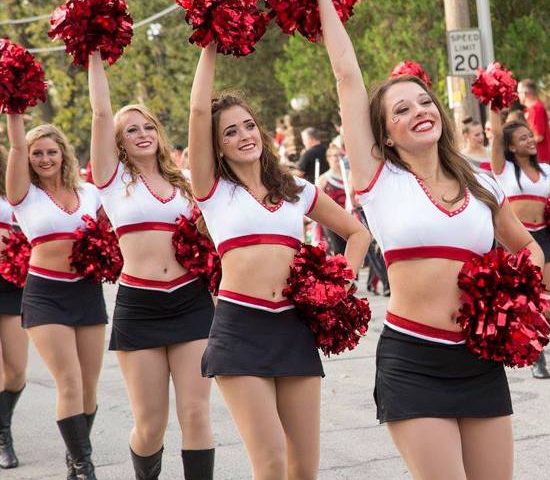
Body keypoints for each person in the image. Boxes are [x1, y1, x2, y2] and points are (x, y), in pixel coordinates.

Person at [315, 0, 545, 480]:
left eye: (424, 103)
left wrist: (517, 298)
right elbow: (347, 79)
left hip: (479, 358)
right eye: (401, 110)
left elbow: (528, 248)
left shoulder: (480, 181)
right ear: (386, 136)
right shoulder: (378, 180)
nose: (418, 112)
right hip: (412, 358)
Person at [187, 42, 370, 479]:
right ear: (216, 145)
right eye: (229, 132)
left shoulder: (295, 189)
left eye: (248, 125)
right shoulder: (212, 190)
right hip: (240, 328)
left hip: (293, 327)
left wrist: (338, 285)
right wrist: (211, 43)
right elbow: (196, 112)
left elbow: (357, 233)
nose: (243, 135)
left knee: (303, 467)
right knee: (269, 464)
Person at [88, 53, 216, 479]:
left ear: (159, 135)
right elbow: (101, 112)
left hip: (192, 302)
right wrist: (92, 49)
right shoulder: (111, 181)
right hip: (139, 306)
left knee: (196, 414)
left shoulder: (185, 182)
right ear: (118, 142)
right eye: (131, 130)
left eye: (148, 127)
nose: (141, 134)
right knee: (151, 425)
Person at [5, 118, 106, 478]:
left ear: (64, 153)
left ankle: (74, 456)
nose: (45, 159)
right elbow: (15, 147)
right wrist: (13, 113)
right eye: (37, 154)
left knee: (90, 386)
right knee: (70, 380)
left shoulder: (90, 193)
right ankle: (84, 465)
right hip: (46, 293)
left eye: (51, 151)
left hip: (87, 291)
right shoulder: (23, 193)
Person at [490, 115, 550, 379]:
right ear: (512, 147)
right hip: (515, 240)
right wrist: (495, 109)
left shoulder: (544, 170)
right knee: (523, 300)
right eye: (523, 138)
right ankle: (536, 355)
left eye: (530, 136)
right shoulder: (503, 169)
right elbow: (495, 136)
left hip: (541, 238)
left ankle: (532, 341)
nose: (531, 140)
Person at [0, 146, 28, 470]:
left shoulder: (15, 190)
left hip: (11, 284)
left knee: (17, 370)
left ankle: (2, 420)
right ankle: (4, 435)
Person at [317, 144, 348, 255]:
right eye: (335, 156)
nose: (339, 159)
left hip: (350, 219)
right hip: (333, 223)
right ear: (328, 158)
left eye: (341, 155)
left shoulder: (350, 176)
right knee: (338, 253)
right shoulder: (323, 179)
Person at [517, 80, 550, 163]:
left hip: (541, 159)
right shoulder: (530, 110)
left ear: (525, 93)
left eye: (519, 92)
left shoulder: (536, 109)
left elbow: (538, 137)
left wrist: (519, 145)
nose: (518, 96)